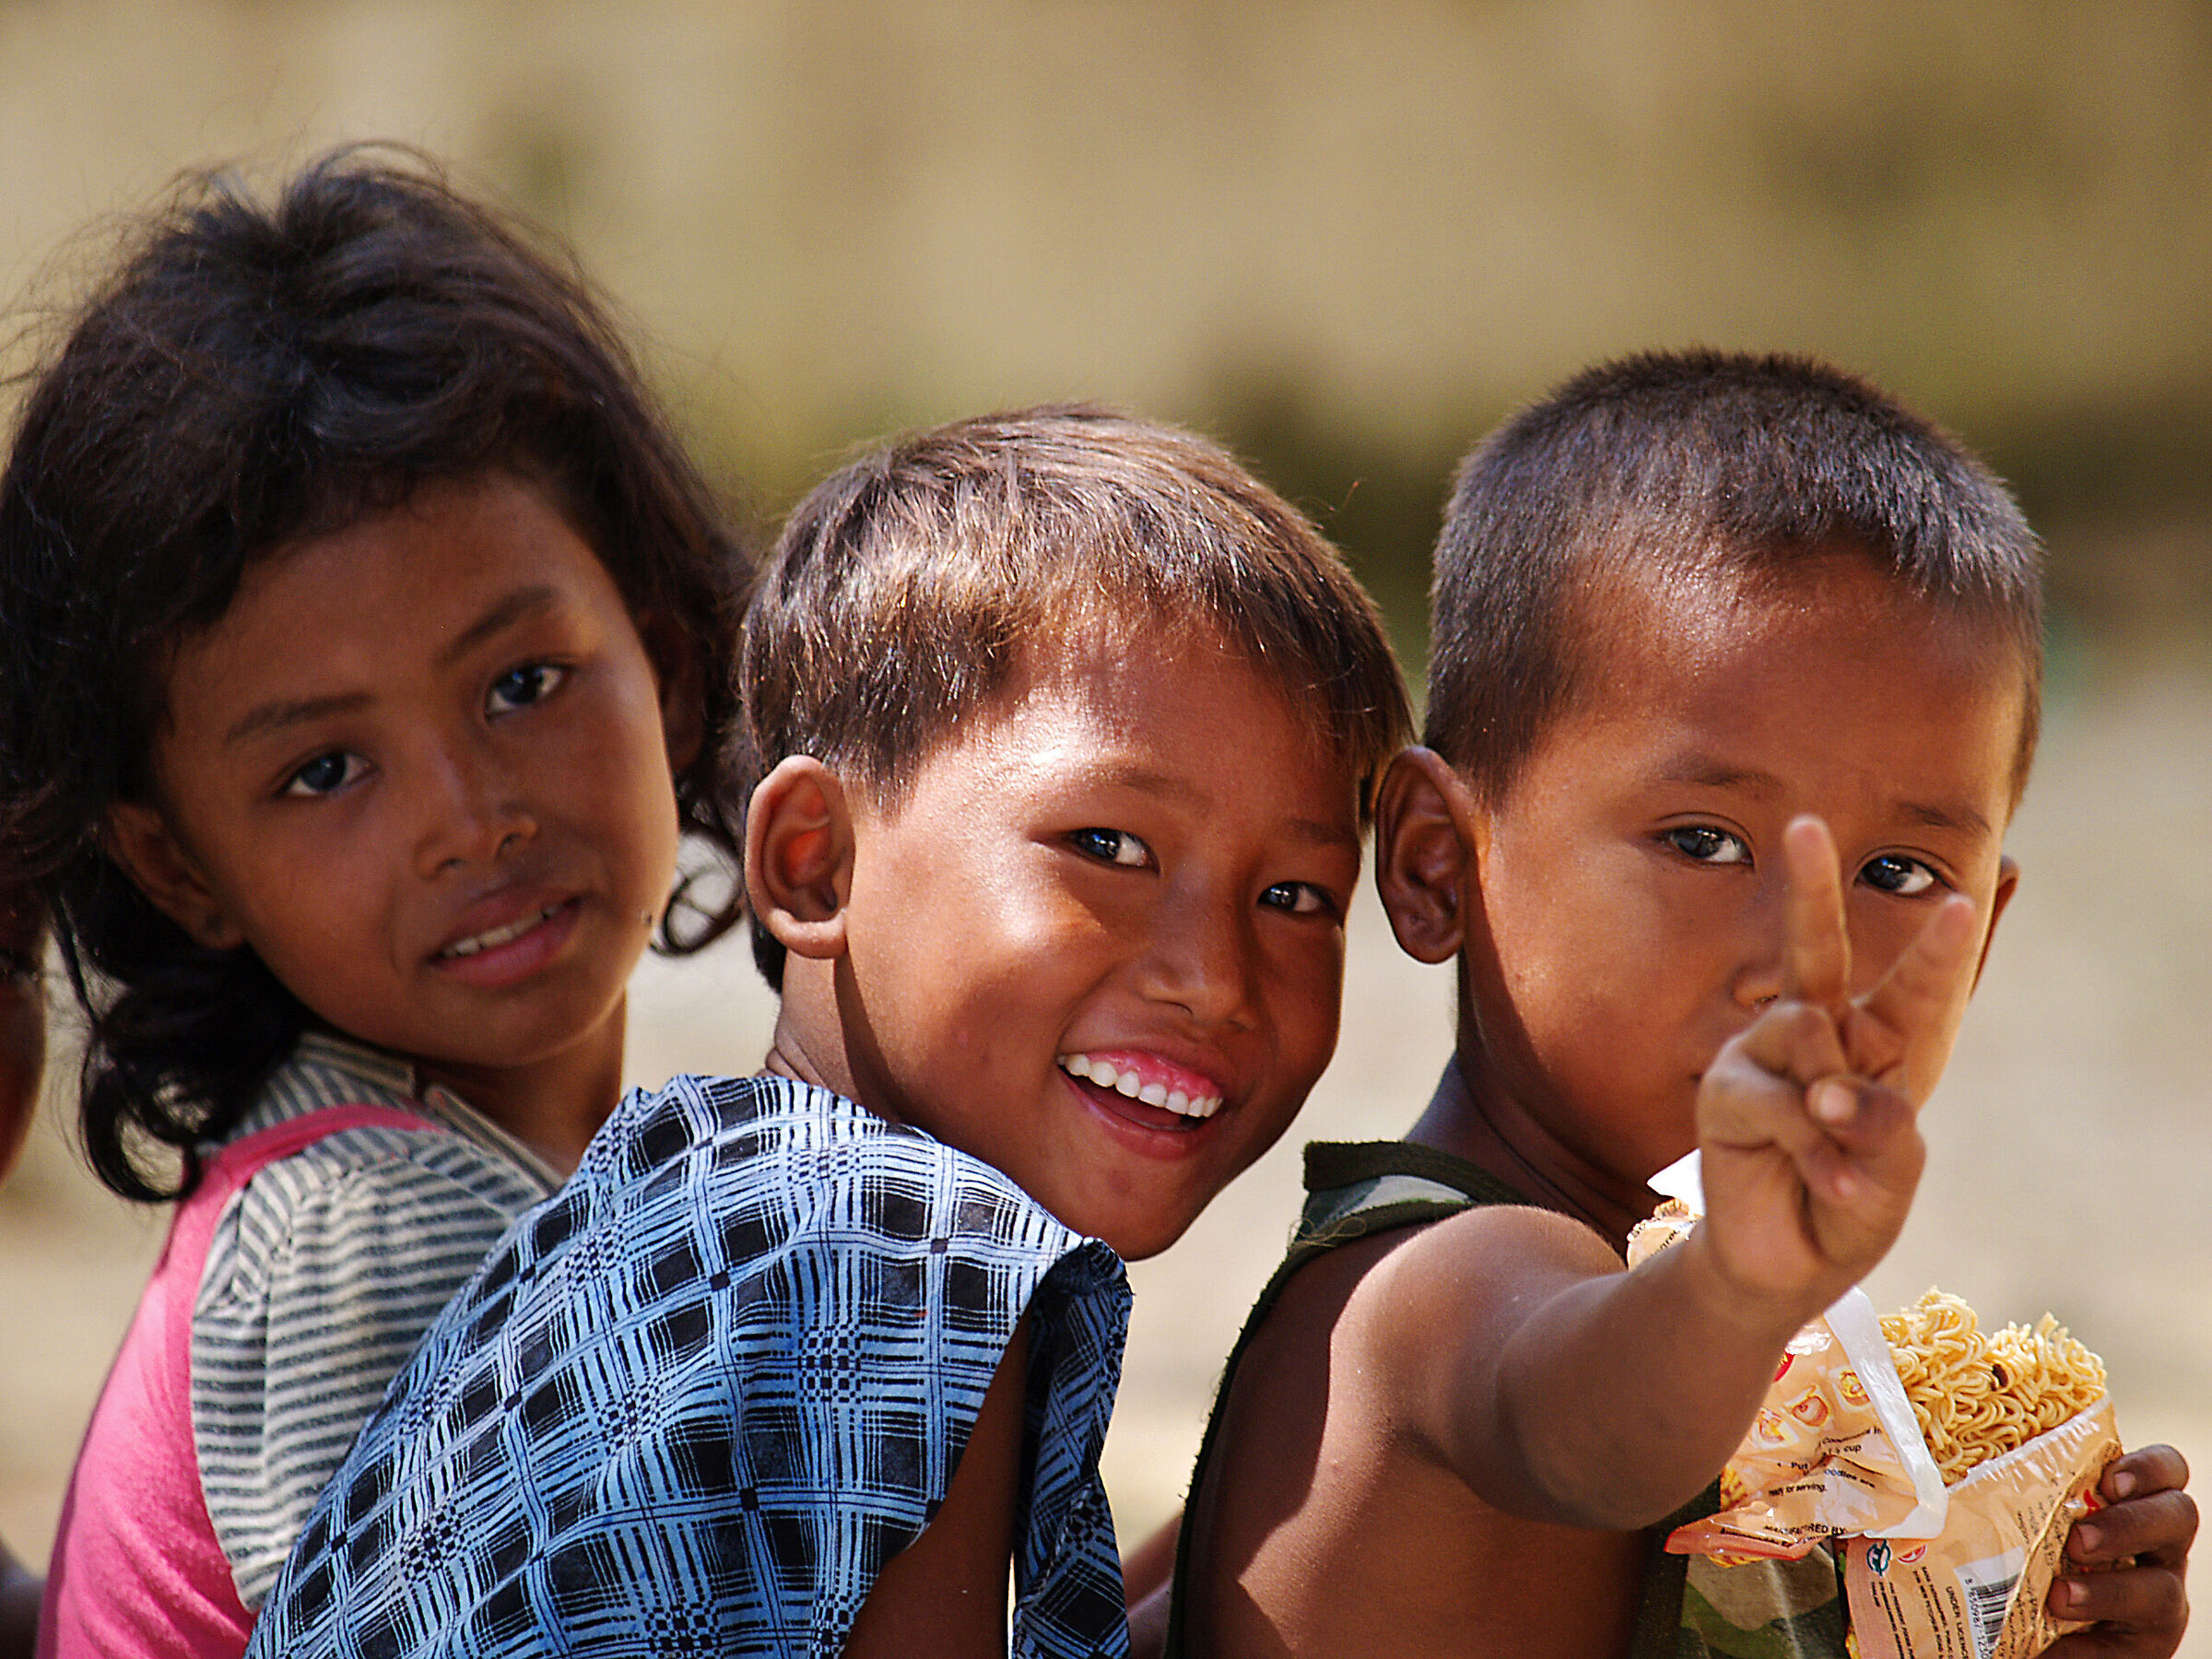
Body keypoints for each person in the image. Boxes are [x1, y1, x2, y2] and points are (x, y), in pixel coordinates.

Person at [245, 406, 1414, 1657]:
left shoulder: (674, 1187)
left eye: (1295, 898)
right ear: (816, 866)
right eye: (1109, 847)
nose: (1216, 979)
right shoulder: (908, 1259)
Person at [1163, 351, 2196, 1659]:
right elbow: (1586, 1433)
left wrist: (2002, 1609)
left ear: (1977, 942)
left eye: (1896, 874)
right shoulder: (1448, 1292)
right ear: (1438, 864)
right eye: (1705, 842)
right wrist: (1741, 1289)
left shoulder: (1697, 1333)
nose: (1801, 964)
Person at [0, 146, 751, 1656]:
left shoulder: (506, 1178)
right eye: (326, 770)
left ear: (665, 668)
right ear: (180, 868)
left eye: (523, 684)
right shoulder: (373, 1237)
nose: (471, 821)